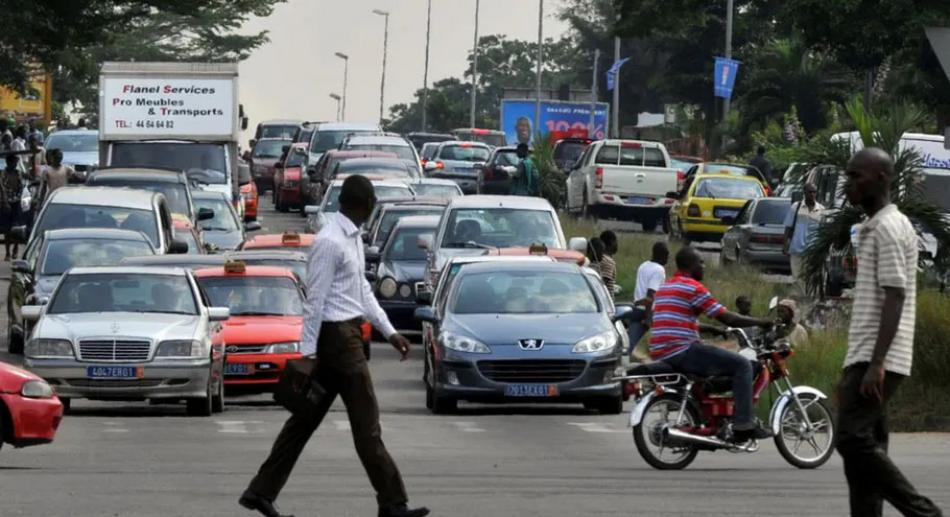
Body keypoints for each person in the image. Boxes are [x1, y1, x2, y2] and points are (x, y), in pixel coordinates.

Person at [241, 175, 429, 517]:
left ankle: (259, 491)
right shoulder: (330, 242)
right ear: (365, 206)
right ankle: (393, 503)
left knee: (304, 419)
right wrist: (307, 353)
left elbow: (362, 291)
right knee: (367, 426)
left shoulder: (352, 237)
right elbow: (316, 300)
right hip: (339, 342)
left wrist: (389, 332)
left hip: (345, 336)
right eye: (372, 204)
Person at [834, 148, 943, 517]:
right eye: (848, 176)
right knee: (865, 454)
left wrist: (876, 362)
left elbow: (896, 294)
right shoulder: (875, 226)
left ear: (881, 178)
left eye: (856, 176)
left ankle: (924, 512)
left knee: (851, 438)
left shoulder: (889, 228)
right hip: (866, 355)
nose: (848, 183)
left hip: (879, 357)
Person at [650, 246, 774, 442]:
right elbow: (728, 318)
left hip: (660, 350)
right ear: (691, 265)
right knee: (742, 365)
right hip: (682, 350)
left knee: (713, 368)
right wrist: (762, 322)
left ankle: (716, 419)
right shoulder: (694, 288)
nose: (704, 265)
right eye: (701, 262)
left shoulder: (666, 286)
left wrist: (710, 329)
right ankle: (743, 424)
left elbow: (676, 319)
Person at [627, 241, 668, 362]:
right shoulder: (659, 270)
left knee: (629, 344)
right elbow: (651, 293)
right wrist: (649, 317)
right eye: (667, 255)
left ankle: (621, 361)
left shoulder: (643, 265)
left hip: (636, 310)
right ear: (663, 255)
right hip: (649, 311)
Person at [783, 182, 824, 295]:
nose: (812, 194)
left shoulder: (821, 210)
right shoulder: (796, 207)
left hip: (812, 252)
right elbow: (788, 227)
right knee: (797, 278)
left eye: (814, 192)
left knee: (811, 278)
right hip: (796, 249)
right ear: (804, 193)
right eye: (809, 192)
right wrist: (785, 244)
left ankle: (810, 300)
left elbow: (823, 233)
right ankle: (800, 301)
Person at [1, 154, 24, 260]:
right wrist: (5, 202)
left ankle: (15, 249)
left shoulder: (18, 173)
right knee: (7, 229)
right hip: (5, 203)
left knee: (16, 228)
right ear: (8, 163)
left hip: (16, 202)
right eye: (13, 162)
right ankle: (7, 252)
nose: (15, 165)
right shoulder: (3, 174)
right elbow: (2, 189)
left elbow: (22, 187)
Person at [598, 231, 618, 299]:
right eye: (616, 241)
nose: (617, 244)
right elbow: (602, 284)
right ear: (612, 242)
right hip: (604, 302)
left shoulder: (597, 259)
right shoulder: (609, 262)